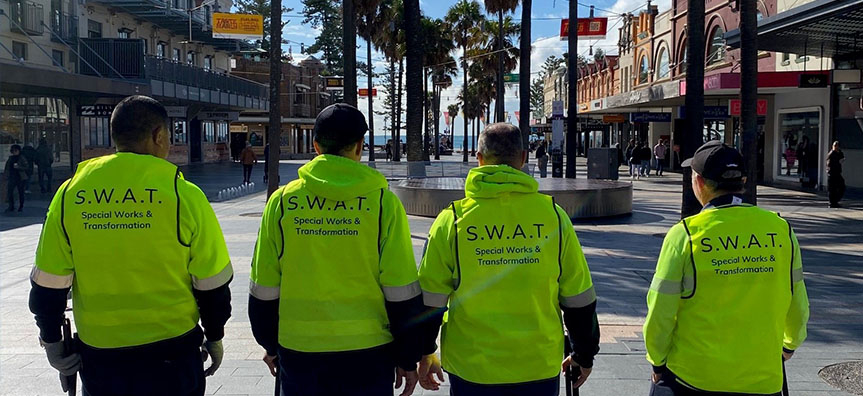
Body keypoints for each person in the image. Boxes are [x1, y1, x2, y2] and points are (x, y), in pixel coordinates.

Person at [29, 95, 233, 395]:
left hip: (101, 356)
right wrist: (214, 335)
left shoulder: (71, 194)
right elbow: (212, 284)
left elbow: (48, 283)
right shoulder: (184, 195)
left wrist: (51, 340)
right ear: (159, 136)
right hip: (172, 352)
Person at [248, 103, 423, 396]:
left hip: (299, 350)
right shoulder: (382, 204)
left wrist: (269, 343)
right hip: (369, 353)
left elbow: (264, 286)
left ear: (316, 146)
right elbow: (401, 289)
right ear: (359, 147)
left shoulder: (282, 203)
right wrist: (407, 357)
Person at [416, 123, 600, 396]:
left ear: (479, 159)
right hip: (537, 365)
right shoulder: (553, 216)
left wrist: (424, 350)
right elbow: (578, 295)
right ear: (524, 158)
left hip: (473, 368)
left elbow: (430, 297)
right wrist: (584, 354)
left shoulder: (452, 220)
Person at [644, 140, 809, 396]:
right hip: (762, 379)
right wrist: (790, 344)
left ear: (698, 182)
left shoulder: (685, 235)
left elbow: (660, 311)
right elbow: (797, 301)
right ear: (742, 181)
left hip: (694, 377)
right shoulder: (780, 230)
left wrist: (657, 360)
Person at [4, 144, 28, 212]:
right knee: (10, 192)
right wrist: (6, 174)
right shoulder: (10, 158)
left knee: (21, 192)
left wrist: (19, 167)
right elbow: (7, 167)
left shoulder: (21, 158)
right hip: (12, 177)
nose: (15, 152)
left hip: (20, 177)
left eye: (16, 150)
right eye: (13, 151)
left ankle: (21, 206)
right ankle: (11, 206)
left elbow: (26, 167)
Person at [827, 141, 845, 208]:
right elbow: (829, 164)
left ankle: (835, 201)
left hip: (837, 173)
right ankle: (832, 202)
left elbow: (842, 158)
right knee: (832, 188)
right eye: (835, 146)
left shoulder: (839, 153)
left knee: (841, 186)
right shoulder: (831, 154)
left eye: (837, 146)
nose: (836, 147)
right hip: (832, 173)